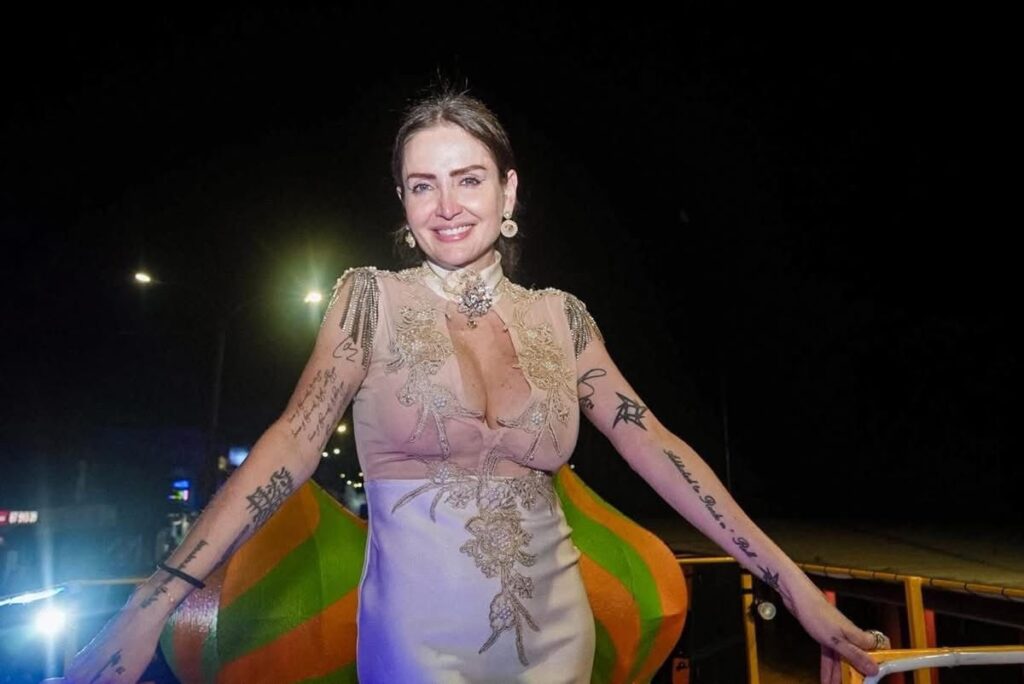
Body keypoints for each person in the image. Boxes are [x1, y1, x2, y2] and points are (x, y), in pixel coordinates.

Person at [54, 88, 888, 684]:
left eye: (469, 178)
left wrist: (793, 586)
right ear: (403, 200)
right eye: (423, 184)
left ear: (508, 188)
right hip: (418, 648)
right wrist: (151, 605)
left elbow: (659, 450)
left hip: (556, 639)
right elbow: (290, 446)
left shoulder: (563, 319)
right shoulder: (368, 301)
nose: (447, 205)